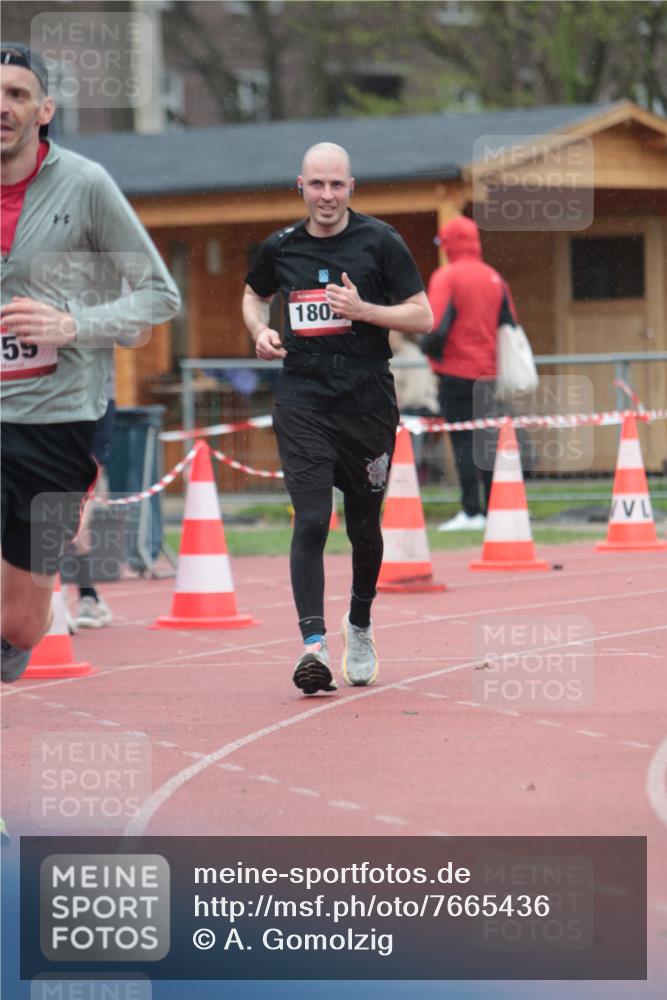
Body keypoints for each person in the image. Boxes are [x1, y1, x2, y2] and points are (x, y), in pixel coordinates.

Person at [0, 44, 181, 682]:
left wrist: (72, 324)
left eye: (17, 94)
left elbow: (161, 295)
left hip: (59, 422)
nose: (2, 106)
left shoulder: (86, 184)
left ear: (44, 109)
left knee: (20, 624)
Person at [243, 142, 432, 695]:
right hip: (303, 396)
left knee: (363, 525)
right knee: (309, 518)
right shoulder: (280, 246)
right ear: (299, 186)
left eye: (337, 185)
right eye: (317, 185)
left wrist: (364, 311)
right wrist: (259, 329)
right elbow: (253, 295)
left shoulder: (381, 241)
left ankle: (361, 623)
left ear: (352, 188)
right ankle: (313, 646)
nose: (327, 196)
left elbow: (423, 314)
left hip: (367, 396)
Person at [420, 215, 516, 531]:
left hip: (455, 372)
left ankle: (471, 511)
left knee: (462, 442)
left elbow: (433, 327)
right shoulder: (494, 277)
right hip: (490, 374)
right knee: (487, 443)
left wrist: (428, 350)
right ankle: (492, 508)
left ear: (448, 244)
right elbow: (510, 325)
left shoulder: (446, 277)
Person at [388, 330, 441, 482]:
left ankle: (413, 469)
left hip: (419, 407)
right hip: (399, 407)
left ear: (399, 334)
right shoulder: (392, 355)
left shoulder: (412, 355)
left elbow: (414, 395)